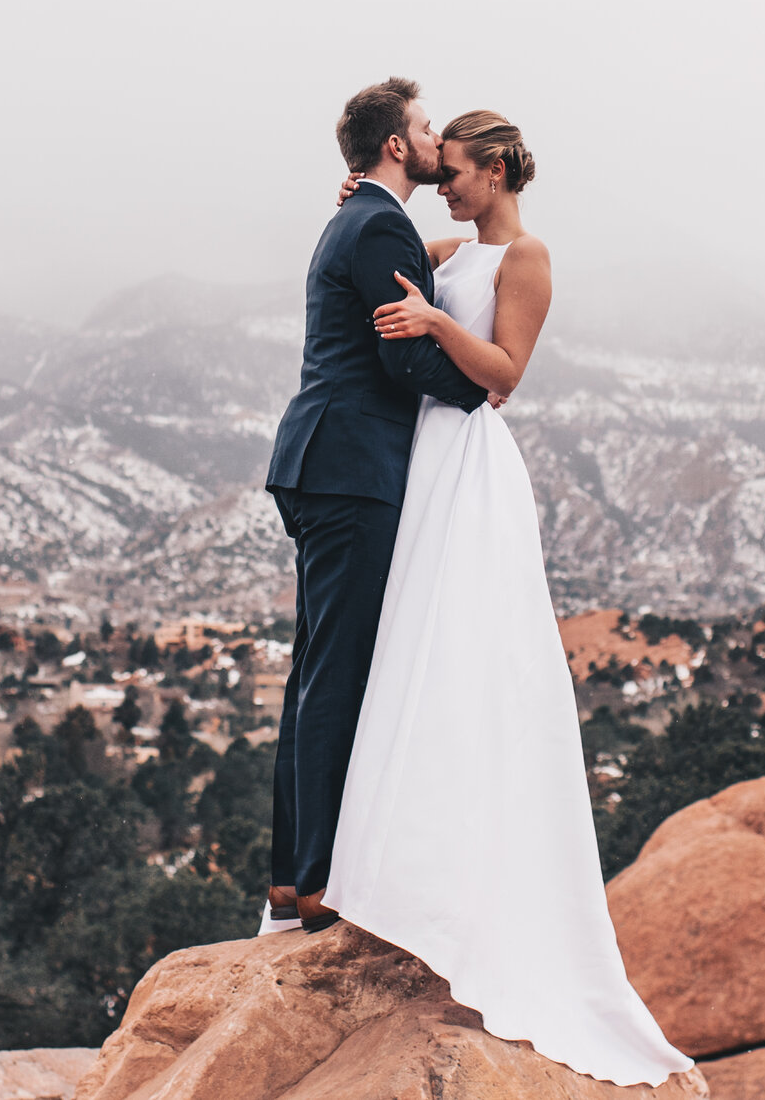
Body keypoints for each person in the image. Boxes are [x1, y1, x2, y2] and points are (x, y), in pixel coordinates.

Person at [322, 109, 694, 1090]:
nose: (444, 187)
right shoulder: (451, 240)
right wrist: (365, 201)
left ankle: (465, 903)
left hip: (469, 460)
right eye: (437, 173)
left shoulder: (526, 257)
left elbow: (504, 377)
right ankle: (397, 879)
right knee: (413, 656)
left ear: (493, 168)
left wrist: (440, 322)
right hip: (420, 457)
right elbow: (398, 241)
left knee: (464, 654)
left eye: (454, 174)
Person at [263, 78, 488, 936]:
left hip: (324, 461)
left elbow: (395, 284)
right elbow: (401, 356)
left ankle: (293, 875)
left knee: (316, 667)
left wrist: (447, 259)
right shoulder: (376, 222)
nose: (435, 142)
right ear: (397, 145)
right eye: (427, 129)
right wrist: (480, 386)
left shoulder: (357, 217)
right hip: (353, 468)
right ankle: (319, 879)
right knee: (339, 670)